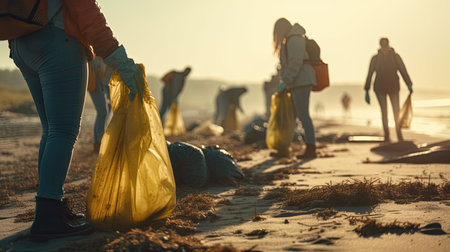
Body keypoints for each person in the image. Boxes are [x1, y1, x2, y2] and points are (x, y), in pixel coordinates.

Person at [9, 0, 144, 241]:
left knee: (50, 129)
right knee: (62, 131)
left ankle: (50, 207)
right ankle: (48, 215)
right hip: (57, 40)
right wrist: (122, 62)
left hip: (22, 43)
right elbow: (87, 12)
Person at [273, 18, 317, 159]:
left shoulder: (295, 39)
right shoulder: (290, 39)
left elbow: (295, 62)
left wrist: (286, 81)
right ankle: (285, 146)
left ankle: (311, 148)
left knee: (303, 115)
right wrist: (286, 81)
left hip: (302, 81)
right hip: (296, 81)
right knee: (292, 116)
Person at [364, 37, 413, 142]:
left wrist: (409, 83)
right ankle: (387, 135)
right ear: (380, 46)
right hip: (379, 88)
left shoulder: (395, 57)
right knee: (384, 111)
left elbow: (403, 70)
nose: (384, 48)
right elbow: (370, 74)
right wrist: (366, 90)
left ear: (389, 46)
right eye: (382, 46)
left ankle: (399, 134)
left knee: (396, 111)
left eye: (386, 46)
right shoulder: (375, 59)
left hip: (394, 87)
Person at [87, 56, 113, 153]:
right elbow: (94, 64)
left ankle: (99, 141)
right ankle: (98, 142)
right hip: (96, 82)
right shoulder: (96, 53)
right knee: (102, 112)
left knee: (104, 112)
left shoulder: (103, 54)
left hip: (102, 83)